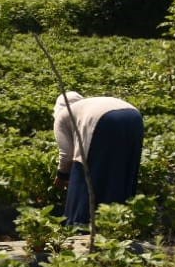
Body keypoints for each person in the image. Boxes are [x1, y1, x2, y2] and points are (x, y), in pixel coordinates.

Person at [53, 91, 144, 227]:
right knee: (123, 168)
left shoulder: (62, 115)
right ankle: (119, 221)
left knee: (85, 173)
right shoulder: (87, 105)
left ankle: (80, 224)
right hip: (134, 117)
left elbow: (67, 155)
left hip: (105, 121)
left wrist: (62, 176)